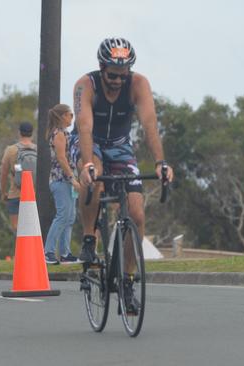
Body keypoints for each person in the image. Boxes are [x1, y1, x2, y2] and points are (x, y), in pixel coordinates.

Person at [73, 37, 174, 312]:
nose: (118, 80)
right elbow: (83, 126)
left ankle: (127, 280)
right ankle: (89, 238)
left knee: (137, 214)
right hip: (89, 141)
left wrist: (160, 162)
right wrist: (86, 165)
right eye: (112, 75)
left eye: (123, 74)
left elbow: (149, 123)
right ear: (101, 67)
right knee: (96, 174)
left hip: (120, 146)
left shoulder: (138, 84)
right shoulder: (86, 85)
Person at [44, 104, 80, 265]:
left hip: (68, 181)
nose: (71, 118)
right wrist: (72, 178)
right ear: (62, 116)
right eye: (69, 115)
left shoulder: (66, 134)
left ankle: (65, 252)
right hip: (60, 180)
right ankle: (49, 252)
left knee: (70, 217)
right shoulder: (58, 134)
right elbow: (61, 158)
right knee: (62, 215)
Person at [0, 122, 37, 231]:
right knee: (32, 227)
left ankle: (20, 247)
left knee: (16, 227)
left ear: (19, 133)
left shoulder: (11, 150)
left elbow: (3, 173)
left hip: (15, 193)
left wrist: (3, 192)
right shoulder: (38, 150)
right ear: (32, 133)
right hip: (33, 194)